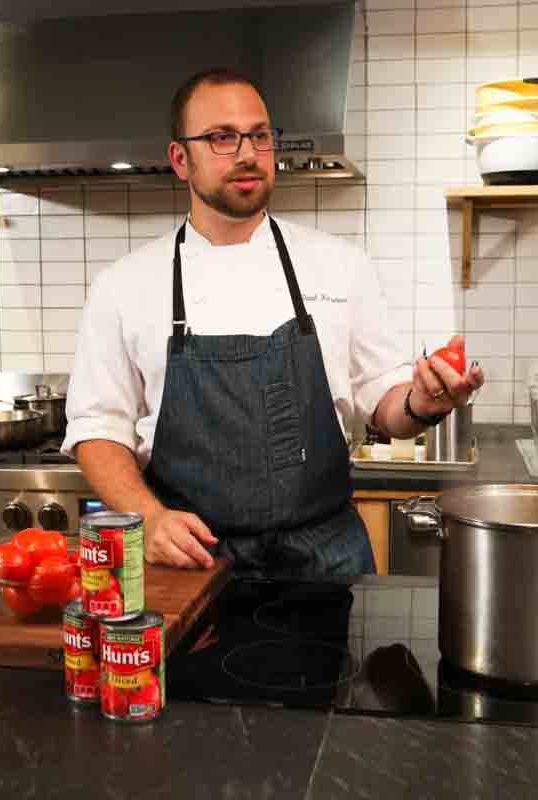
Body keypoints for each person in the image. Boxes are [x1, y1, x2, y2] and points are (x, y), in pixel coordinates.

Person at [61, 68, 484, 577]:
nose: (246, 153)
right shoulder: (123, 286)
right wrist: (149, 518)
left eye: (259, 135)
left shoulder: (341, 265)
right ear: (180, 159)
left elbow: (383, 400)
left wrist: (421, 403)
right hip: (193, 559)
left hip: (327, 560)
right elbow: (98, 427)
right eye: (221, 137)